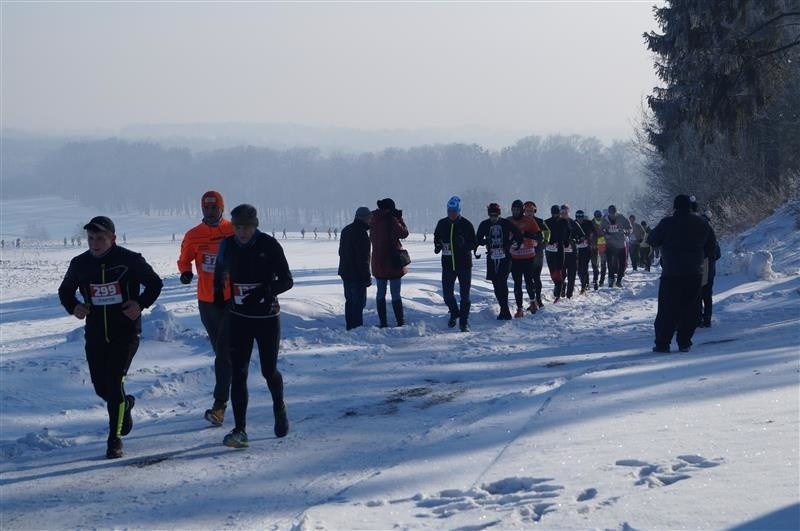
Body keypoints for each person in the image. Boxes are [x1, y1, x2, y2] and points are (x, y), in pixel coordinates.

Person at [58, 216, 163, 458]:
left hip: (125, 332)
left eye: (101, 238)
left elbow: (154, 283)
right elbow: (65, 291)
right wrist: (74, 307)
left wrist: (140, 303)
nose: (95, 243)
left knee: (115, 383)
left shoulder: (130, 260)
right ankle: (125, 406)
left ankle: (114, 440)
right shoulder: (80, 263)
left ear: (113, 239)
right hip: (95, 332)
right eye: (91, 238)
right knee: (101, 387)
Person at [214, 204, 293, 448]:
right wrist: (220, 297)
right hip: (239, 318)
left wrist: (264, 291)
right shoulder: (227, 245)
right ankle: (240, 430)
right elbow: (220, 274)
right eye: (237, 227)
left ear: (254, 226)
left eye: (246, 227)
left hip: (266, 318)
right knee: (239, 373)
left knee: (268, 371)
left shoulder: (268, 245)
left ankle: (279, 408)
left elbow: (287, 280)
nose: (242, 232)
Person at [177, 190, 235, 426]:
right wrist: (185, 272)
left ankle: (219, 405)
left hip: (231, 299)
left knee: (224, 352)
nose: (210, 212)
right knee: (221, 351)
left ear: (222, 208)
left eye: (214, 208)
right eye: (206, 208)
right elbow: (184, 259)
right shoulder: (193, 235)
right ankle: (228, 389)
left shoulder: (233, 230)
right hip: (207, 301)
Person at [646, 194, 717, 353]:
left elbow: (652, 240)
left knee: (667, 309)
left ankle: (662, 343)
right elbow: (712, 248)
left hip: (671, 273)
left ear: (675, 207)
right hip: (693, 273)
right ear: (691, 207)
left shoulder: (667, 223)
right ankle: (684, 341)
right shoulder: (702, 223)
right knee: (690, 308)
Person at [433, 196, 477, 332]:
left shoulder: (466, 224)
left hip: (464, 265)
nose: (451, 213)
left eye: (454, 211)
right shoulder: (442, 223)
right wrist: (438, 245)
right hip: (447, 265)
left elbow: (474, 243)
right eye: (449, 211)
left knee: (465, 295)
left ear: (459, 211)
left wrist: (464, 244)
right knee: (447, 295)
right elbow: (437, 237)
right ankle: (454, 312)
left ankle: (463, 320)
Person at [476, 203, 523, 319]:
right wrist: (484, 243)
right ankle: (503, 307)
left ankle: (505, 309)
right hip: (491, 257)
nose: (493, 217)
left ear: (499, 214)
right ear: (488, 214)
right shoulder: (484, 224)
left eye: (495, 215)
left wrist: (511, 244)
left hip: (505, 257)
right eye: (491, 215)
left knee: (502, 281)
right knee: (495, 284)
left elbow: (518, 234)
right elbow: (477, 239)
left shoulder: (506, 223)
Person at [370, 198, 410, 327]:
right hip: (393, 262)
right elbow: (404, 233)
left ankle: (383, 322)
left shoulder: (373, 219)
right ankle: (400, 321)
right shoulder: (391, 219)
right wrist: (399, 218)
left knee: (380, 293)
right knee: (395, 294)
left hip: (378, 261)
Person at [338, 207, 372, 330]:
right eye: (369, 217)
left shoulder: (346, 230)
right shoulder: (361, 233)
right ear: (364, 218)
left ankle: (350, 327)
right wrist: (367, 277)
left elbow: (341, 252)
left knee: (350, 301)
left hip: (345, 271)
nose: (370, 220)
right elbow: (363, 258)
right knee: (358, 303)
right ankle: (356, 329)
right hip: (357, 274)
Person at [507, 199, 541, 316]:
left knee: (528, 281)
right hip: (515, 257)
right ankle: (519, 309)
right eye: (513, 209)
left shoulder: (529, 221)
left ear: (522, 210)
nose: (515, 212)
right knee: (517, 283)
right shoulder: (508, 221)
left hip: (528, 256)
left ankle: (532, 301)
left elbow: (538, 236)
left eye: (518, 209)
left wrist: (527, 234)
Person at [698, 211, 721, 328]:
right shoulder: (711, 234)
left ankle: (698, 318)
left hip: (698, 269)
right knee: (707, 295)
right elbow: (718, 254)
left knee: (697, 294)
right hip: (710, 269)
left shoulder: (694, 235)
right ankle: (707, 319)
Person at [543, 205, 570, 302]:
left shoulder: (564, 221)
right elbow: (543, 234)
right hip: (550, 250)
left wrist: (566, 242)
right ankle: (560, 284)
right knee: (552, 272)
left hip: (560, 249)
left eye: (557, 213)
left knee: (558, 270)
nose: (555, 215)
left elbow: (568, 233)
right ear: (551, 213)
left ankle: (558, 291)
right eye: (554, 213)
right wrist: (546, 242)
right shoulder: (546, 222)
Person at [601, 205, 632, 287]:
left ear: (616, 212)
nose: (612, 215)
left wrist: (626, 232)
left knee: (622, 263)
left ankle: (619, 280)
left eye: (614, 213)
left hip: (621, 244)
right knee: (610, 263)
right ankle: (611, 280)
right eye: (611, 213)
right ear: (608, 213)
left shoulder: (622, 218)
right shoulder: (604, 219)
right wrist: (605, 233)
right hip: (610, 244)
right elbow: (601, 230)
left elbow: (629, 228)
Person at [524, 202, 547, 308]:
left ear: (534, 211)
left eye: (531, 211)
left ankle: (538, 299)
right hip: (525, 253)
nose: (529, 213)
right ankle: (532, 301)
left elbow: (547, 232)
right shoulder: (521, 221)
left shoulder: (539, 221)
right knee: (529, 278)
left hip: (537, 253)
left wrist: (544, 243)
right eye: (527, 211)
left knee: (536, 277)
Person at [575, 210, 596, 294]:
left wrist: (591, 241)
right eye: (578, 217)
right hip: (577, 249)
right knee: (579, 269)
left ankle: (584, 285)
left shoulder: (588, 223)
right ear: (576, 217)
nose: (580, 219)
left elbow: (594, 233)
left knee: (584, 266)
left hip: (587, 248)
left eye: (581, 217)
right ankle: (584, 282)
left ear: (583, 217)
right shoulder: (573, 223)